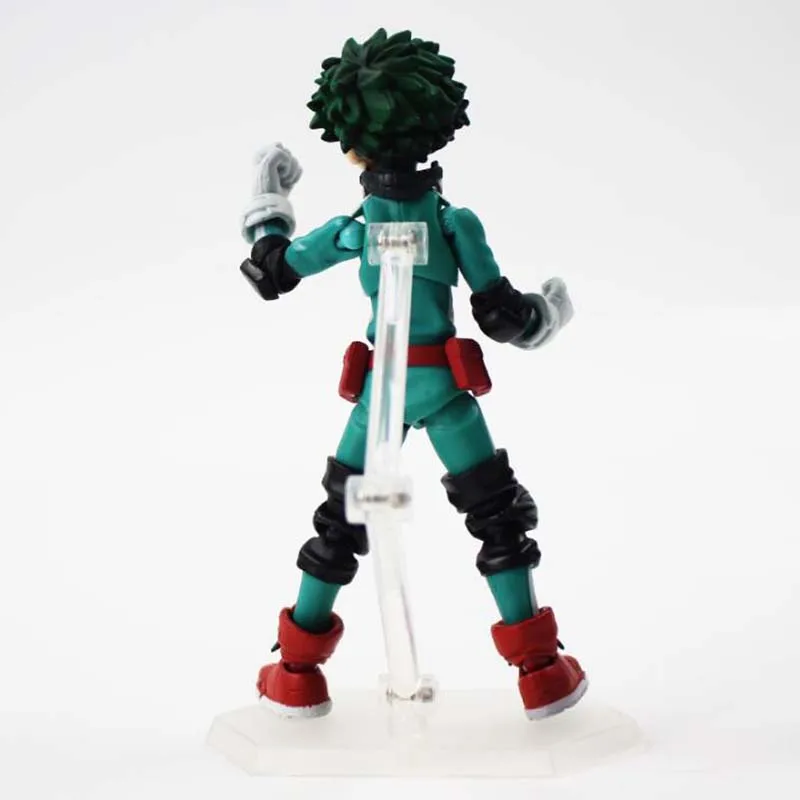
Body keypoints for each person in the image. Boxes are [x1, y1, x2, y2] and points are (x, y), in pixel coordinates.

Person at [238, 27, 585, 721]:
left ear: (350, 142)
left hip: (380, 399)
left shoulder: (354, 229)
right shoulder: (456, 224)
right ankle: (541, 672)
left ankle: (297, 670)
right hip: (446, 392)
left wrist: (267, 196)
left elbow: (271, 269)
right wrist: (548, 312)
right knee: (496, 520)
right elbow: (503, 316)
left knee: (340, 523)